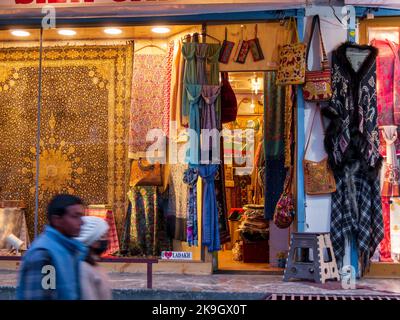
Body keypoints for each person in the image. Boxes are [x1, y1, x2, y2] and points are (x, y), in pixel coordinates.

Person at [16, 194, 87, 300]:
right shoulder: (44, 254)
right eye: (75, 216)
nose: (82, 222)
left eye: (82, 216)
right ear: (57, 220)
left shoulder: (69, 250)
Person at [76, 216, 112, 300]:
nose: (107, 240)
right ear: (92, 240)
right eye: (103, 236)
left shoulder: (94, 265)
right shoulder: (83, 268)